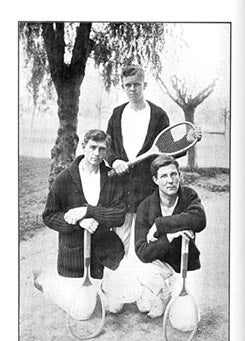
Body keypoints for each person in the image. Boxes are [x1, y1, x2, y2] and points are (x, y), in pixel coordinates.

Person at [102, 64, 202, 313]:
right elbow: (107, 147)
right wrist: (115, 161)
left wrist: (188, 140)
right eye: (127, 85)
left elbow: (169, 150)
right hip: (121, 196)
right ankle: (122, 293)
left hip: (148, 195)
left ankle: (151, 293)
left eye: (137, 84)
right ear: (123, 87)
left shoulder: (158, 116)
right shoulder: (116, 114)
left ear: (144, 85)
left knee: (148, 246)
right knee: (122, 245)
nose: (132, 89)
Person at [34, 129, 126, 313]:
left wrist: (88, 211)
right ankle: (45, 280)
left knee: (116, 307)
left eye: (102, 149)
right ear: (83, 146)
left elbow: (119, 215)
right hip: (75, 254)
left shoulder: (111, 177)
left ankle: (98, 290)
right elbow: (49, 215)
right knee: (83, 313)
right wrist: (78, 223)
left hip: (104, 254)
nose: (96, 154)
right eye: (92, 147)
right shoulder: (65, 178)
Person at [134, 155, 206, 317]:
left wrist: (160, 225)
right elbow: (142, 251)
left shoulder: (189, 195)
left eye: (174, 174)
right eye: (164, 176)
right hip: (160, 265)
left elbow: (199, 219)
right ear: (155, 180)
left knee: (184, 323)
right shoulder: (145, 206)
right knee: (142, 279)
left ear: (180, 176)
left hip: (185, 265)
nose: (170, 180)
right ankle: (162, 293)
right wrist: (170, 235)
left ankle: (174, 293)